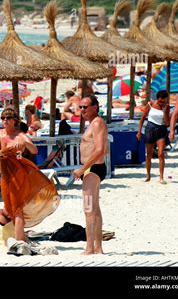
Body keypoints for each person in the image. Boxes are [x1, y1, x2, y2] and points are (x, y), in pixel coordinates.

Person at [0, 108, 59, 243]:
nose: (5, 120)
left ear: (15, 121)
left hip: (19, 172)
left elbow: (34, 149)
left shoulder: (20, 135)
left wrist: (24, 143)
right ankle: (21, 236)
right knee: (9, 205)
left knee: (17, 206)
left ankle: (19, 239)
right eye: (3, 118)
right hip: (5, 172)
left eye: (8, 118)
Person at [72, 95, 108, 255]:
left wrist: (82, 169)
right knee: (95, 208)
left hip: (92, 169)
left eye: (85, 107)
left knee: (88, 208)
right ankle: (98, 247)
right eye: (80, 107)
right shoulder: (92, 124)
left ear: (95, 107)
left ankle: (89, 248)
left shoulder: (97, 122)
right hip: (92, 168)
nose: (82, 110)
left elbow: (100, 149)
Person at [136, 90, 170, 184]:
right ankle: (148, 175)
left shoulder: (166, 107)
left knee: (160, 154)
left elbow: (167, 123)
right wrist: (139, 131)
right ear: (157, 99)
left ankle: (161, 177)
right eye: (160, 101)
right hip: (150, 128)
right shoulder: (150, 104)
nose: (161, 103)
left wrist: (164, 111)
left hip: (161, 129)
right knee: (149, 154)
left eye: (163, 101)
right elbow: (143, 118)